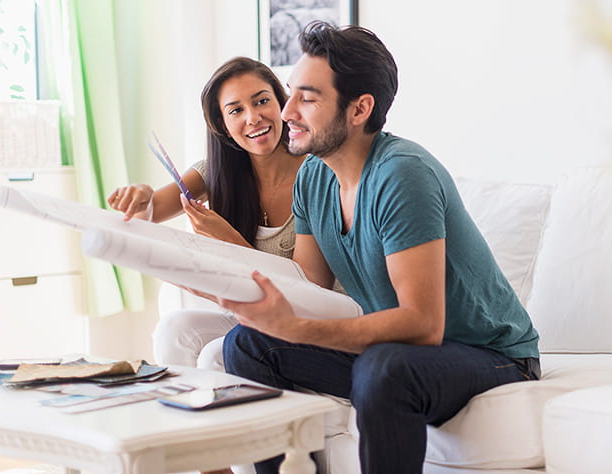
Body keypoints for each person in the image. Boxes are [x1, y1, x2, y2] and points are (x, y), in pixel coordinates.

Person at [216, 22, 541, 474]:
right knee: (248, 345)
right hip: (408, 356)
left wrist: (299, 329)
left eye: (307, 98)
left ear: (359, 109)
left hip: (492, 356)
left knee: (385, 367)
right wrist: (220, 282)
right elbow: (307, 289)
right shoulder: (313, 177)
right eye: (290, 93)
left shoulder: (402, 174)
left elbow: (423, 324)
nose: (287, 111)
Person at [107, 57, 305, 371]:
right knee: (173, 330)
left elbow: (303, 289)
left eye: (262, 101)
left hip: (303, 317)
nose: (253, 118)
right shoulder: (215, 172)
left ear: (281, 104)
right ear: (222, 125)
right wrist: (142, 196)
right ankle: (188, 417)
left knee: (217, 353)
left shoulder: (315, 175)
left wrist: (228, 239)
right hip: (253, 317)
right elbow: (152, 209)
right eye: (236, 110)